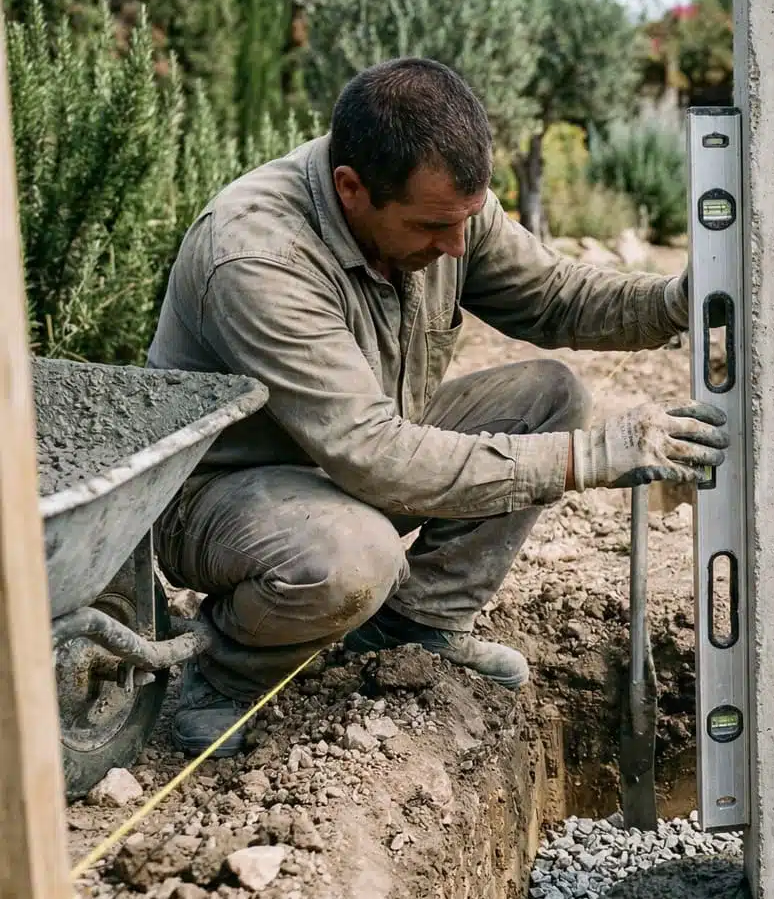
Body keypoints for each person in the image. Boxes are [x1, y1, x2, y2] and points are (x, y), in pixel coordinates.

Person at [145, 56, 727, 757]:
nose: (454, 246)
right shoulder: (257, 257)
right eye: (430, 227)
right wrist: (592, 457)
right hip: (224, 497)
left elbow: (555, 297)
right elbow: (374, 455)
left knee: (549, 398)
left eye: (465, 222)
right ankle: (226, 675)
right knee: (351, 557)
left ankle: (412, 625)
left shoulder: (446, 207)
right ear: (351, 188)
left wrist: (675, 302)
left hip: (353, 458)